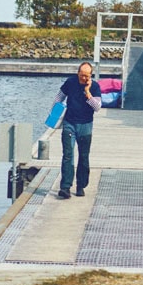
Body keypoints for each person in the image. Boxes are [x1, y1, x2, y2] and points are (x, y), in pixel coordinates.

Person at [52, 61, 101, 199]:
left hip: (86, 125)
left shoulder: (95, 87)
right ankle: (65, 187)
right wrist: (53, 116)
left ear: (91, 76)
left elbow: (97, 108)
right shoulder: (70, 82)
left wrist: (87, 93)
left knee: (83, 157)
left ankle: (81, 185)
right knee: (68, 155)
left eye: (86, 76)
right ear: (77, 73)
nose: (83, 78)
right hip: (69, 123)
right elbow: (59, 98)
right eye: (81, 75)